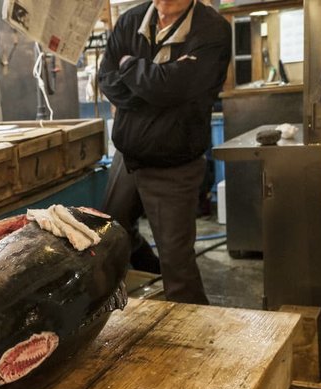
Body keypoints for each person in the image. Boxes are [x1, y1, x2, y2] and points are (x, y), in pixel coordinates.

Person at [98, 0, 231, 304]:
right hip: (128, 157)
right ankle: (151, 270)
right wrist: (152, 86)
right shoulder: (131, 21)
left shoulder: (212, 30)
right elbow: (107, 80)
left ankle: (195, 342)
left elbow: (174, 88)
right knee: (113, 231)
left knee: (178, 265)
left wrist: (130, 66)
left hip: (174, 166)